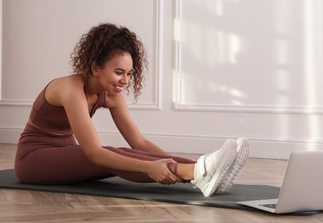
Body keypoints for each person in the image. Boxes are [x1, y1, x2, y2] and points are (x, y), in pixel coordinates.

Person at [14, 23, 249, 197]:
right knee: (108, 154)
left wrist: (176, 160)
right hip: (34, 160)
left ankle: (202, 170)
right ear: (96, 67)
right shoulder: (70, 88)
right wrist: (149, 167)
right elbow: (95, 153)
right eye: (119, 72)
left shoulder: (111, 96)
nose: (125, 80)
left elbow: (140, 143)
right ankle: (200, 173)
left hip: (66, 156)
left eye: (129, 73)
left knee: (125, 152)